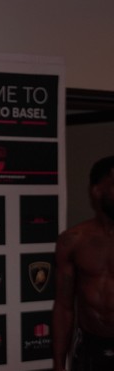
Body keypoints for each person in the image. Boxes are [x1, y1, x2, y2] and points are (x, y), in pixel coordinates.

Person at [52, 155, 114, 371]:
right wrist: (59, 364)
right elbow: (64, 307)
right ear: (96, 191)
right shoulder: (73, 241)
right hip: (90, 348)